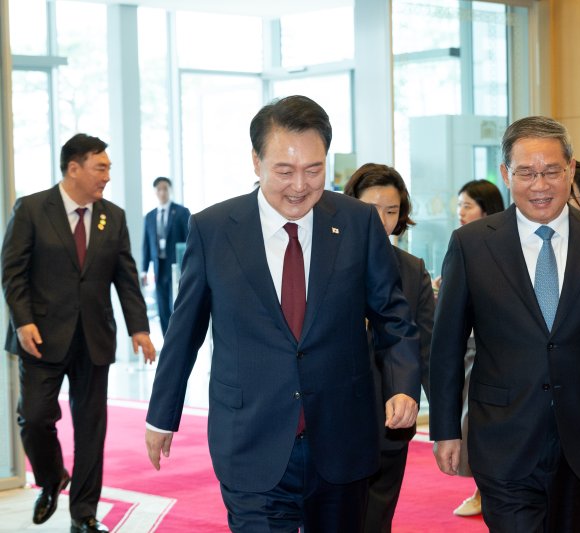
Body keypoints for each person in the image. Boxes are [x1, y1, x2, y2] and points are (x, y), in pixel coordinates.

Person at [144, 95, 421, 533]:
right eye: (284, 170)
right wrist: (162, 413)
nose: (300, 185)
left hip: (342, 439)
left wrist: (403, 386)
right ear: (255, 161)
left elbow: (394, 317)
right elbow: (185, 330)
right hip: (251, 439)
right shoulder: (214, 229)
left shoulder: (357, 223)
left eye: (314, 170)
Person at [429, 115, 580, 532]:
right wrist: (444, 428)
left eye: (551, 172)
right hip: (503, 436)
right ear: (506, 174)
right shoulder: (472, 245)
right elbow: (447, 345)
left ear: (570, 168)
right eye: (526, 172)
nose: (540, 185)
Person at [1, 133, 156, 533]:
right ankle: (52, 479)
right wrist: (23, 320)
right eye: (100, 167)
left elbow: (125, 279)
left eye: (108, 168)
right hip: (40, 337)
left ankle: (83, 514)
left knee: (91, 428)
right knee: (34, 418)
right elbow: (12, 271)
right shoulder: (33, 209)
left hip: (94, 339)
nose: (106, 176)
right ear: (74, 168)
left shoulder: (113, 216)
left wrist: (138, 328)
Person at [343, 163, 435, 533]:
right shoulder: (323, 265)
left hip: (389, 424)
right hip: (331, 424)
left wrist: (448, 426)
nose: (381, 221)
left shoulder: (412, 271)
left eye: (391, 211)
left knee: (376, 523)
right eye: (371, 210)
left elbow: (427, 351)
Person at [449, 180, 505, 518]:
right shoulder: (463, 243)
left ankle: (485, 489)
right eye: (460, 205)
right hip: (468, 344)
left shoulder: (496, 245)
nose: (461, 212)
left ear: (486, 208)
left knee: (477, 418)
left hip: (488, 348)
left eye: (467, 205)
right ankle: (482, 487)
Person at [141, 177, 190, 335]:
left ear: (170, 190)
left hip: (176, 267)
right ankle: (166, 338)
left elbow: (189, 240)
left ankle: (178, 338)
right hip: (159, 268)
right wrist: (143, 270)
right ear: (155, 192)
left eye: (165, 188)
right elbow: (147, 245)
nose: (162, 192)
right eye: (159, 189)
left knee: (175, 304)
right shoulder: (149, 216)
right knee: (162, 306)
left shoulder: (181, 212)